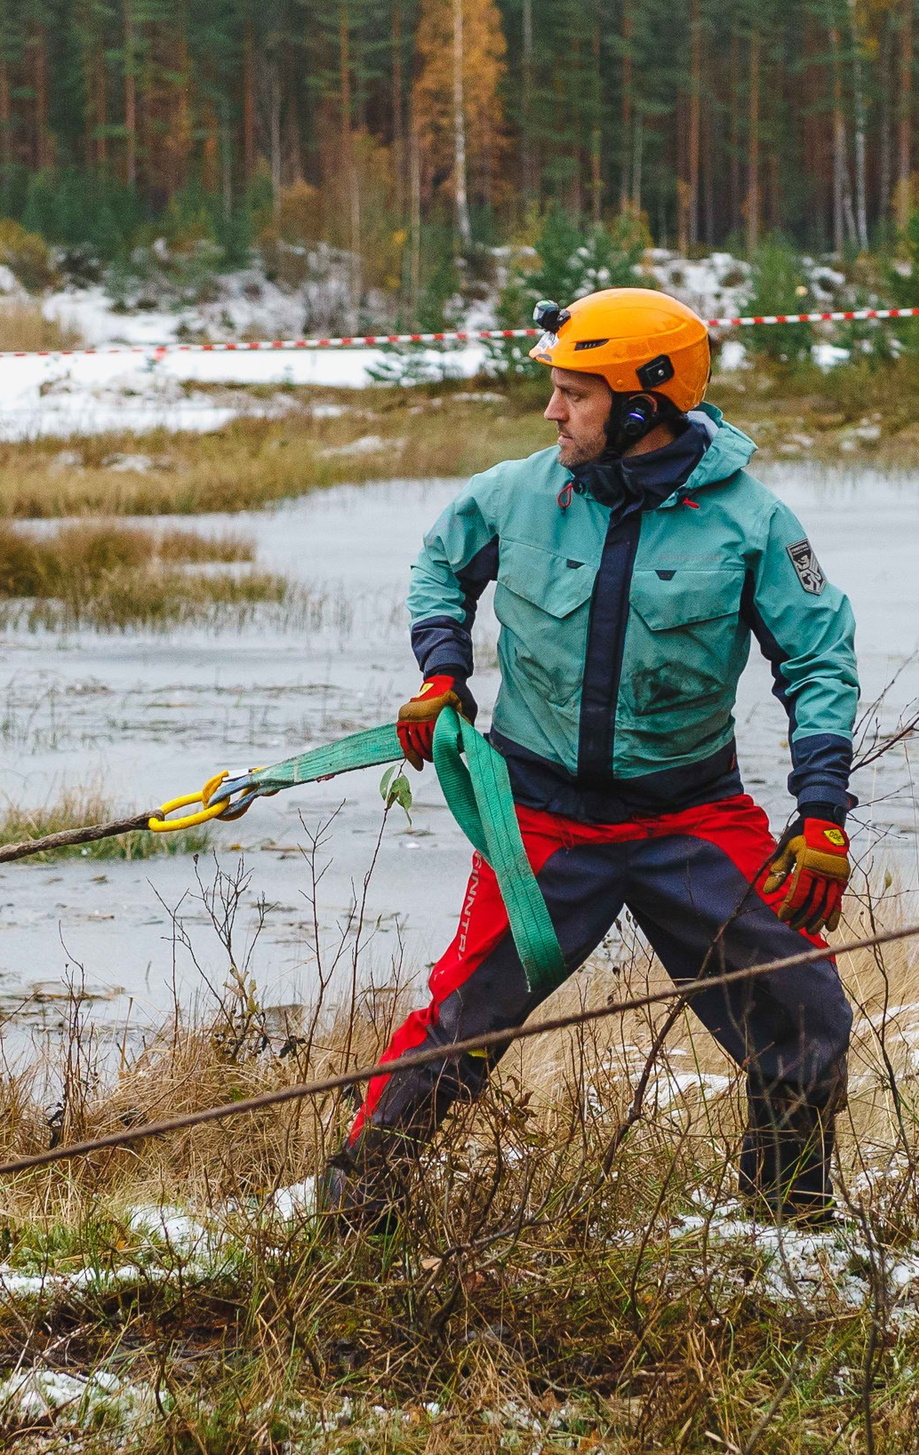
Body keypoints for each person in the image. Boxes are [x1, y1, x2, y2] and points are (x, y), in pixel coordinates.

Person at [317, 286, 859, 1229]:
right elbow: (438, 566)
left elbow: (819, 658)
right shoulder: (516, 493)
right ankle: (350, 1213)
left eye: (575, 393)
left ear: (643, 405)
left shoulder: (755, 524)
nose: (552, 411)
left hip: (690, 819)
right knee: (461, 1027)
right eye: (556, 389)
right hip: (542, 823)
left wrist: (821, 815)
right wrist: (444, 674)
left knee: (806, 1016)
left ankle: (788, 1232)